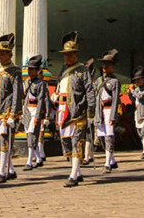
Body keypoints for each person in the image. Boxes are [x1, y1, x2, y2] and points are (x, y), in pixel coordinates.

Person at [53, 31, 95, 188]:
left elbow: (89, 91)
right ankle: (76, 171)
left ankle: (73, 174)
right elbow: (60, 86)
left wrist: (90, 112)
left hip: (78, 111)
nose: (67, 57)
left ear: (76, 54)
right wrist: (55, 95)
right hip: (62, 111)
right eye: (65, 54)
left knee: (77, 142)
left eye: (70, 54)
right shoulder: (63, 70)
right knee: (66, 142)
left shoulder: (82, 70)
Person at [0, 33, 23, 184]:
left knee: (5, 141)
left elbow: (17, 93)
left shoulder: (14, 71)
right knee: (0, 142)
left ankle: (2, 171)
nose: (0, 56)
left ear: (10, 54)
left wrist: (13, 114)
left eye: (3, 53)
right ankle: (11, 169)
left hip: (7, 111)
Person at [94, 49, 121, 173]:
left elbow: (116, 99)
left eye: (108, 64)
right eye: (104, 64)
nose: (105, 67)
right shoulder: (99, 81)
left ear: (113, 66)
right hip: (100, 111)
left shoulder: (115, 81)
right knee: (102, 137)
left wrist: (113, 115)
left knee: (109, 136)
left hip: (109, 109)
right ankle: (112, 159)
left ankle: (107, 163)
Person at [22, 55, 50, 170]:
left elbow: (41, 101)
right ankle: (38, 158)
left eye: (31, 69)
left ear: (37, 70)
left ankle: (29, 161)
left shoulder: (41, 84)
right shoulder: (27, 82)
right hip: (27, 110)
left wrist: (40, 116)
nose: (29, 71)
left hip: (35, 111)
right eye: (28, 69)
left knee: (32, 136)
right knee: (29, 134)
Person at [127, 66, 144, 159]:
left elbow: (140, 96)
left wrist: (132, 90)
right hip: (137, 112)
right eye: (135, 80)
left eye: (138, 80)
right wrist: (129, 92)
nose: (137, 82)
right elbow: (133, 99)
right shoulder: (136, 90)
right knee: (139, 132)